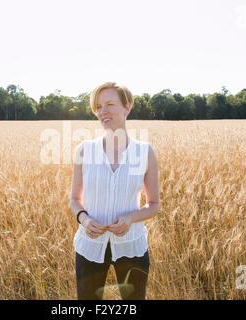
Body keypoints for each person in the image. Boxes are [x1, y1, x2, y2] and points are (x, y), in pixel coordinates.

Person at [70, 81, 159, 300]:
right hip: (90, 245)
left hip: (131, 246)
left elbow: (154, 204)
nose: (103, 111)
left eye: (109, 104)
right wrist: (84, 219)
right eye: (98, 107)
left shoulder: (145, 152)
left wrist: (131, 217)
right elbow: (74, 199)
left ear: (127, 107)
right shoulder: (84, 150)